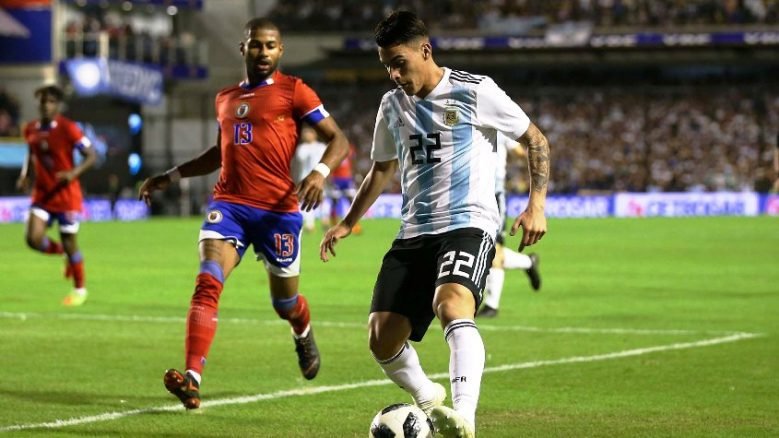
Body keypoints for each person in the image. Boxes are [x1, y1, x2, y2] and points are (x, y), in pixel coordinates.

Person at [319, 11, 550, 438]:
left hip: (468, 222)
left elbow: (535, 139)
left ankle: (465, 419)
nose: (393, 74)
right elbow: (381, 170)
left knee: (452, 304)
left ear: (425, 51)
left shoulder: (474, 91)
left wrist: (537, 204)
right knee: (381, 338)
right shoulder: (391, 105)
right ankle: (429, 400)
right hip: (413, 231)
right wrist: (348, 222)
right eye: (386, 65)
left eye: (399, 62)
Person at [138, 17, 349, 410]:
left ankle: (302, 332)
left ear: (280, 51)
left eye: (270, 46)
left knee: (284, 304)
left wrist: (320, 172)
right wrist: (172, 175)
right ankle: (193, 379)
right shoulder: (225, 98)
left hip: (277, 212)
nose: (263, 52)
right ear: (243, 49)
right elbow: (221, 152)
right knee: (208, 281)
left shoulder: (294, 91)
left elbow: (339, 139)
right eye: (256, 45)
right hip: (229, 206)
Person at [16, 85, 97, 307]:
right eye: (42, 101)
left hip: (66, 196)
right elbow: (31, 153)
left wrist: (73, 173)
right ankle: (63, 254)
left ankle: (80, 289)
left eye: (50, 101)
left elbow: (91, 154)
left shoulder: (68, 128)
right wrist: (25, 175)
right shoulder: (30, 128)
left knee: (70, 242)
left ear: (57, 105)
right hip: (42, 194)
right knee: (33, 239)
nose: (45, 105)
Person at [477, 134, 542, 319]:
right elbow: (519, 154)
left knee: (494, 249)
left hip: (494, 194)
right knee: (483, 247)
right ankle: (529, 262)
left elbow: (521, 152)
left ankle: (492, 305)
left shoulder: (498, 129)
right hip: (471, 193)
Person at [292, 125, 327, 232]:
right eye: (305, 133)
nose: (306, 135)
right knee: (306, 201)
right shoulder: (302, 148)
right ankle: (309, 224)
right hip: (305, 178)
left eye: (308, 132)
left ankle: (325, 220)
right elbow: (301, 159)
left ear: (314, 134)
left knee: (322, 200)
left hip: (320, 178)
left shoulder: (322, 147)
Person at [327, 142, 362, 234]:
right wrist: (329, 176)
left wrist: (356, 174)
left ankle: (354, 225)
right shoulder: (333, 148)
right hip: (336, 179)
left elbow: (353, 162)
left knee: (352, 201)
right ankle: (333, 225)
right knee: (334, 202)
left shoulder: (350, 148)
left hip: (347, 179)